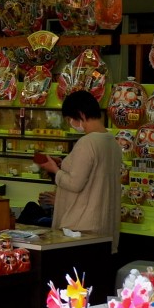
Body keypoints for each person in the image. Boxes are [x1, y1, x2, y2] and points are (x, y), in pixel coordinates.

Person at [39, 90, 122, 252]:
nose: (71, 123)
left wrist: (55, 170)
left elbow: (75, 183)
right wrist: (64, 165)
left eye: (70, 119)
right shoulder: (112, 142)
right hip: (104, 224)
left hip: (81, 228)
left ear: (81, 115)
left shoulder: (87, 142)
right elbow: (93, 176)